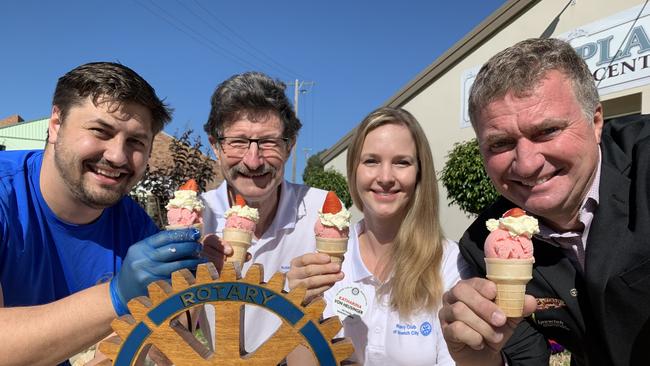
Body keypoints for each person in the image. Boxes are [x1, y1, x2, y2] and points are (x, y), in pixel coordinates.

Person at [439, 37, 650, 366]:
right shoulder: (483, 246)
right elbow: (526, 359)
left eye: (547, 130)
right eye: (501, 143)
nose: (526, 164)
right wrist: (481, 361)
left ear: (596, 122)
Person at [0, 62, 206, 366]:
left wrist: (193, 294)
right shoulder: (6, 195)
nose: (118, 156)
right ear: (56, 124)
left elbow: (143, 348)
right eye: (100, 131)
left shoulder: (136, 226)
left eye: (136, 141)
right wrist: (116, 295)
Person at [287, 107, 466, 365]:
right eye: (371, 161)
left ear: (419, 174)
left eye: (401, 162)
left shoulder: (450, 263)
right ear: (354, 171)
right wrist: (299, 309)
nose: (385, 177)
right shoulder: (321, 261)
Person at [201, 71, 333, 354]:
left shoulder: (323, 212)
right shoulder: (199, 216)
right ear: (215, 146)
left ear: (290, 146)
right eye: (238, 142)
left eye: (269, 142)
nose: (253, 160)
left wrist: (303, 299)